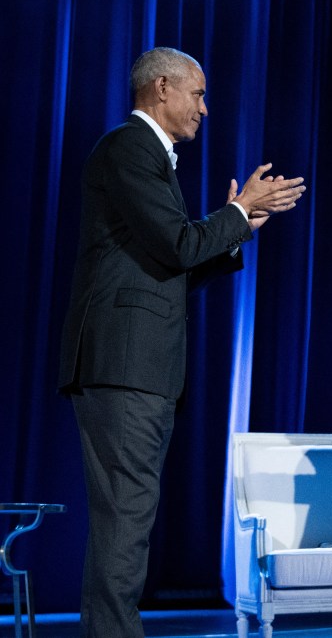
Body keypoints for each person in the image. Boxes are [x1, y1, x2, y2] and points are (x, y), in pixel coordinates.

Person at [58, 47, 305, 638]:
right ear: (162, 88)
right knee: (125, 520)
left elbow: (172, 263)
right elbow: (176, 245)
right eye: (197, 94)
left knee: (128, 520)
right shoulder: (128, 147)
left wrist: (234, 229)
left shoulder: (150, 158)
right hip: (124, 368)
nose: (205, 108)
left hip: (139, 370)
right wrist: (238, 213)